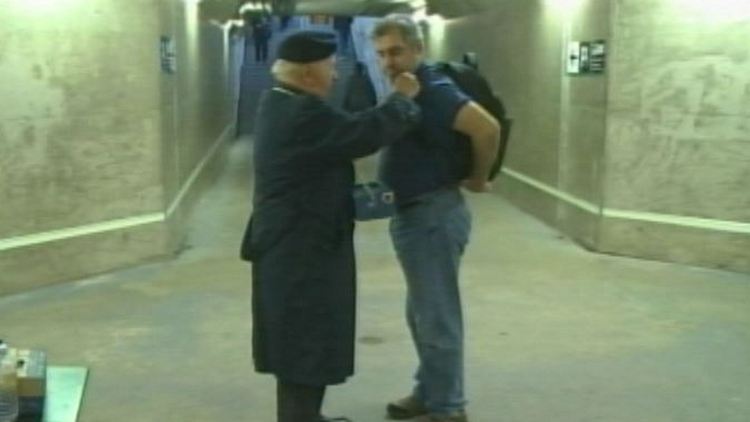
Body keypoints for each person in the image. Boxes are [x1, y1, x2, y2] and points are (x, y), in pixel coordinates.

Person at [240, 30, 422, 422]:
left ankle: (308, 417)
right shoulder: (303, 112)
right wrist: (401, 100)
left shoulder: (280, 100)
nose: (336, 75)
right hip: (302, 247)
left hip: (294, 241)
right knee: (304, 341)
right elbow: (362, 133)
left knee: (305, 338)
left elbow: (343, 130)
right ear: (308, 74)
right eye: (330, 67)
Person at [371, 16, 501, 422]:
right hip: (413, 216)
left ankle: (448, 408)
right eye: (381, 54)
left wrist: (479, 178)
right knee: (422, 313)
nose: (388, 61)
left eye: (396, 51)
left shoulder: (434, 89)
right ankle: (429, 392)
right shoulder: (409, 89)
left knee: (437, 316)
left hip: (432, 215)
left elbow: (487, 128)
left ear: (417, 50)